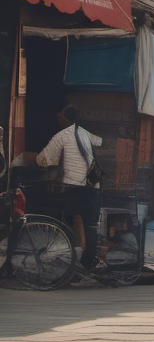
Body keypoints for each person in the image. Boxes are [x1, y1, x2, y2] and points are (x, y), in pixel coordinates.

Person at [36, 105, 103, 270]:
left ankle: (68, 255)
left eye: (59, 118)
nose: (58, 121)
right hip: (92, 186)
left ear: (64, 118)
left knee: (64, 218)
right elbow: (100, 142)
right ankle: (88, 261)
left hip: (74, 187)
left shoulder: (63, 135)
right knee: (91, 225)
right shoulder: (84, 132)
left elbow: (43, 159)